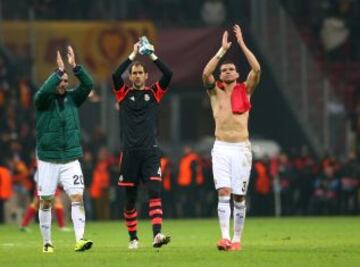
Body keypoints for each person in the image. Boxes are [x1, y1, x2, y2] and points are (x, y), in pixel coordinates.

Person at [202, 24, 261, 251]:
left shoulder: (245, 90)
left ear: (237, 74)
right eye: (224, 69)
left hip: (242, 149)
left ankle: (237, 240)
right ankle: (224, 237)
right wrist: (222, 51)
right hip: (221, 148)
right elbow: (205, 73)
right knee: (223, 192)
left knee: (239, 197)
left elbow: (256, 69)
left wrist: (242, 45)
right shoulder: (214, 92)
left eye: (231, 69)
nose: (226, 71)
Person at [112, 38, 172, 249]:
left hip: (150, 152)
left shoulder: (153, 93)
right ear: (130, 76)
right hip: (129, 153)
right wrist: (133, 55)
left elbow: (169, 74)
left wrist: (151, 55)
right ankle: (133, 238)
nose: (137, 75)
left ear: (146, 76)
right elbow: (114, 75)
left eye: (140, 72)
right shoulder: (123, 94)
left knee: (155, 192)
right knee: (130, 200)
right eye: (134, 72)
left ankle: (157, 235)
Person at [34, 46, 94, 253]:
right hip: (48, 159)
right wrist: (58, 71)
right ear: (54, 81)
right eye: (60, 80)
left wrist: (75, 67)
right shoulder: (43, 101)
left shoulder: (72, 99)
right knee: (46, 200)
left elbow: (89, 84)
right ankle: (47, 242)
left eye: (66, 81)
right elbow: (41, 93)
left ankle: (80, 239)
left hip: (70, 158)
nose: (63, 84)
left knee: (77, 197)